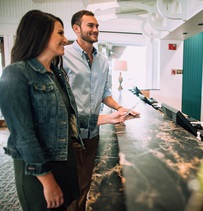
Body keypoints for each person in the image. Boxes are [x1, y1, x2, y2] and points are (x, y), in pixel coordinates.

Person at [0, 10, 85, 210]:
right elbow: (23, 136)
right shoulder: (15, 74)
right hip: (39, 172)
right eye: (60, 33)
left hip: (64, 162)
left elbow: (66, 119)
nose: (65, 40)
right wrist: (48, 181)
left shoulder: (57, 73)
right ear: (40, 34)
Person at [63, 10, 139, 211]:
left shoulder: (103, 61)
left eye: (97, 26)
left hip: (93, 134)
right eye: (91, 25)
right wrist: (107, 118)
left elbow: (105, 93)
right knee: (70, 187)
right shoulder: (63, 56)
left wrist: (120, 107)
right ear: (76, 28)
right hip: (70, 135)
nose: (96, 29)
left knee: (86, 182)